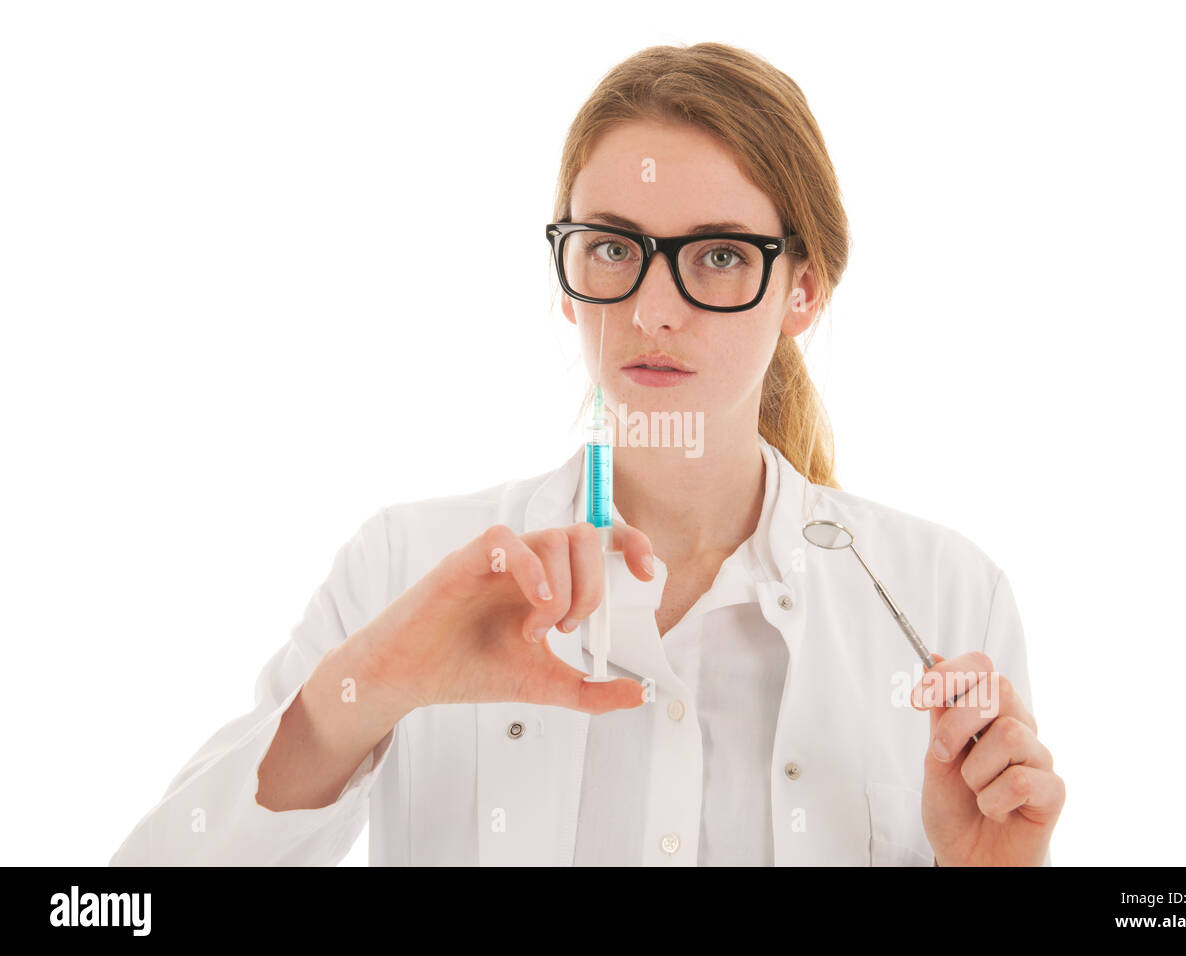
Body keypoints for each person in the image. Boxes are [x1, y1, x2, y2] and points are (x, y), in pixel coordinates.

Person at [110, 41, 1064, 867]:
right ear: (566, 279)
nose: (653, 310)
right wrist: (366, 695)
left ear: (803, 290)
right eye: (613, 247)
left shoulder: (943, 596)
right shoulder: (408, 568)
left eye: (721, 255)